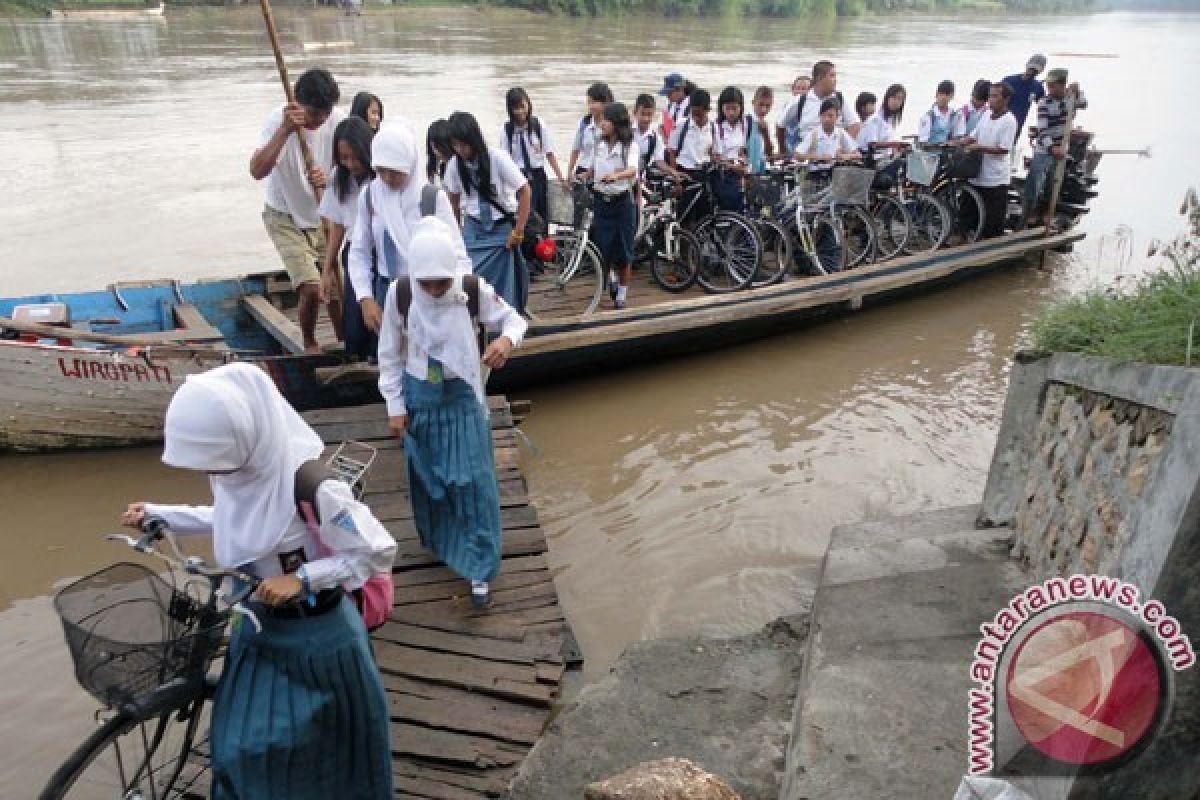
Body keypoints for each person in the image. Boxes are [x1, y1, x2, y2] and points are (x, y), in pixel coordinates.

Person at [122, 362, 396, 799]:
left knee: (321, 756)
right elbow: (233, 518)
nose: (214, 473)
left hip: (317, 643)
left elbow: (376, 550)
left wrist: (302, 578)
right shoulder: (240, 474)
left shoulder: (314, 486)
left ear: (248, 435)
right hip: (258, 633)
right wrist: (162, 514)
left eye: (218, 462)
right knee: (239, 750)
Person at [376, 217, 527, 609]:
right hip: (420, 397)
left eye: (440, 281)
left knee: (473, 483)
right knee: (430, 480)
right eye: (426, 282)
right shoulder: (401, 293)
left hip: (462, 398)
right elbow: (389, 353)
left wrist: (507, 341)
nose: (433, 289)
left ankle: (480, 567)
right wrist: (394, 405)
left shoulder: (471, 290)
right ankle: (443, 544)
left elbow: (514, 319)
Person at [347, 124, 469, 354]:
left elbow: (457, 252)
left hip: (430, 291)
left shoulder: (431, 199)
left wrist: (459, 299)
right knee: (392, 357)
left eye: (395, 171)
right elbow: (360, 252)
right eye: (381, 171)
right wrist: (365, 298)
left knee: (431, 359)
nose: (388, 178)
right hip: (387, 291)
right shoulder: (370, 197)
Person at [249, 67, 345, 355]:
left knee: (338, 288)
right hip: (285, 216)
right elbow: (257, 171)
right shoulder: (278, 120)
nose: (319, 121)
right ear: (299, 104)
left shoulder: (337, 122)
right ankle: (309, 341)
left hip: (324, 214)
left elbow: (354, 168)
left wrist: (328, 180)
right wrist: (285, 130)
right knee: (311, 288)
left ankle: (345, 341)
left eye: (324, 114)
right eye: (313, 114)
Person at [444, 111, 533, 315]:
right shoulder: (454, 166)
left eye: (463, 144)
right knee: (468, 275)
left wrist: (518, 231)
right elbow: (453, 204)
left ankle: (506, 322)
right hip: (474, 229)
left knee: (505, 282)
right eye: (455, 145)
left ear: (474, 138)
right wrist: (454, 236)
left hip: (502, 230)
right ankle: (475, 318)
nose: (460, 150)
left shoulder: (497, 158)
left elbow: (525, 190)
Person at [318, 116, 375, 350]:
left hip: (379, 250)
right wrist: (327, 270)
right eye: (344, 158)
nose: (350, 164)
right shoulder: (338, 178)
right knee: (354, 322)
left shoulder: (380, 178)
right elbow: (338, 227)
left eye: (355, 157)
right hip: (353, 253)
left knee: (379, 316)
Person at [590, 102, 640, 309]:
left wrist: (616, 176)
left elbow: (632, 171)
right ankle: (609, 279)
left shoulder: (630, 146)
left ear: (617, 123)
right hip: (602, 202)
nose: (602, 124)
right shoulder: (599, 145)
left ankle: (621, 295)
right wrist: (583, 175)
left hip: (622, 204)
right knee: (602, 248)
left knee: (624, 251)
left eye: (606, 120)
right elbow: (594, 170)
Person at [1023, 68, 1087, 230]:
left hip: (1062, 147)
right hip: (1045, 148)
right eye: (1048, 86)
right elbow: (1042, 131)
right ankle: (1031, 211)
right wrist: (1052, 148)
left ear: (1062, 85)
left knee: (1054, 181)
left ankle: (1047, 211)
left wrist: (1078, 91)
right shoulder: (1044, 102)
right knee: (1035, 181)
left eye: (1053, 86)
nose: (1050, 89)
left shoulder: (1070, 97)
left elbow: (1084, 104)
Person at [499, 87, 566, 235]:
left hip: (538, 176)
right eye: (516, 108)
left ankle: (544, 250)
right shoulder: (507, 130)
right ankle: (527, 250)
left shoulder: (538, 125)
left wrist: (561, 178)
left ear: (528, 104)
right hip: (518, 178)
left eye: (523, 106)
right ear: (510, 109)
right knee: (525, 216)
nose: (520, 112)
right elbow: (503, 160)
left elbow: (549, 153)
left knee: (541, 216)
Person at [963, 82, 1017, 239]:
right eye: (989, 96)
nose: (990, 100)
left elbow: (1003, 149)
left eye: (995, 96)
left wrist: (980, 148)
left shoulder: (1009, 120)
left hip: (995, 178)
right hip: (978, 173)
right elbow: (973, 135)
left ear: (1005, 99)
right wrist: (957, 142)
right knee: (968, 211)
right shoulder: (986, 114)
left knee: (992, 222)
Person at [776, 60, 860, 155]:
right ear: (820, 78)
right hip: (808, 155)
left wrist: (843, 145)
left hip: (835, 157)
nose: (835, 80)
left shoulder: (840, 98)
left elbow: (854, 125)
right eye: (832, 76)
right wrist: (782, 152)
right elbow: (780, 125)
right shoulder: (800, 101)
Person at [666, 89, 717, 225]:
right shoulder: (682, 125)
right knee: (684, 216)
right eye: (693, 113)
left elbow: (713, 152)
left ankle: (699, 244)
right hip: (685, 174)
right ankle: (684, 244)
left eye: (699, 114)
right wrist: (676, 178)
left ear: (707, 110)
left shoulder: (713, 127)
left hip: (703, 175)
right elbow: (672, 151)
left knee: (704, 217)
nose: (696, 117)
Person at [794, 97, 862, 176]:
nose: (826, 119)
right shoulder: (814, 134)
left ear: (837, 116)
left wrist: (844, 156)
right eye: (823, 116)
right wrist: (819, 158)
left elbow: (858, 155)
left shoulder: (841, 133)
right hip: (816, 174)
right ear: (819, 116)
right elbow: (797, 155)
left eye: (830, 116)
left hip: (836, 175)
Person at [713, 86, 752, 211]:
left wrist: (744, 168)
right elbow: (717, 157)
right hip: (726, 174)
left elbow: (748, 149)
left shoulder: (746, 124)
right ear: (721, 108)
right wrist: (735, 168)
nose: (731, 112)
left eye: (734, 108)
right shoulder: (716, 127)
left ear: (741, 107)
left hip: (744, 170)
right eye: (727, 108)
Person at [567, 82, 612, 177]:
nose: (591, 106)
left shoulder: (613, 125)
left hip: (604, 173)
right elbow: (576, 149)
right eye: (589, 102)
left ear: (606, 102)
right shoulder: (584, 123)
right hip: (582, 169)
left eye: (594, 102)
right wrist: (569, 172)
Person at [1003, 54, 1047, 147]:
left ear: (1041, 71)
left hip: (1017, 126)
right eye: (1031, 68)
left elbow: (1044, 105)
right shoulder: (1009, 80)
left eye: (1035, 70)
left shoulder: (1037, 87)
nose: (1032, 72)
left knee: (1009, 148)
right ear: (1027, 65)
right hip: (1002, 121)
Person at [857, 84, 907, 161]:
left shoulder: (891, 119)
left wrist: (898, 148)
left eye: (900, 99)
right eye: (894, 97)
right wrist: (894, 144)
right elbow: (872, 145)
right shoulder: (875, 119)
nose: (896, 102)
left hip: (884, 158)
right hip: (870, 160)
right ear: (887, 97)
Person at [917, 80, 966, 145]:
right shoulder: (927, 117)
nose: (944, 97)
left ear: (952, 96)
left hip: (949, 150)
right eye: (941, 94)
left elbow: (959, 137)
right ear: (936, 95)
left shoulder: (956, 115)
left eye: (947, 94)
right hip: (930, 152)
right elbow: (923, 142)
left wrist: (952, 142)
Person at [633, 93, 669, 178]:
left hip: (641, 178)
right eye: (642, 114)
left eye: (649, 115)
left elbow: (659, 161)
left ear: (654, 114)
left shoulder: (655, 137)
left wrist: (673, 172)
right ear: (635, 112)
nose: (646, 118)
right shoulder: (625, 132)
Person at [748, 85, 775, 174]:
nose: (764, 110)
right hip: (746, 170)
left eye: (768, 106)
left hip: (760, 168)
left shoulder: (766, 124)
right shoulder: (746, 121)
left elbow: (769, 153)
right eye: (761, 104)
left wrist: (765, 133)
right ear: (753, 102)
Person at [658, 72, 688, 141]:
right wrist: (664, 139)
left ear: (680, 90)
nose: (667, 96)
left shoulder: (691, 108)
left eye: (670, 93)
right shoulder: (668, 107)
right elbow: (660, 126)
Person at [426, 118, 453, 185]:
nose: (439, 152)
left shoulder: (458, 165)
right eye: (435, 147)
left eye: (442, 147)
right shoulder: (433, 168)